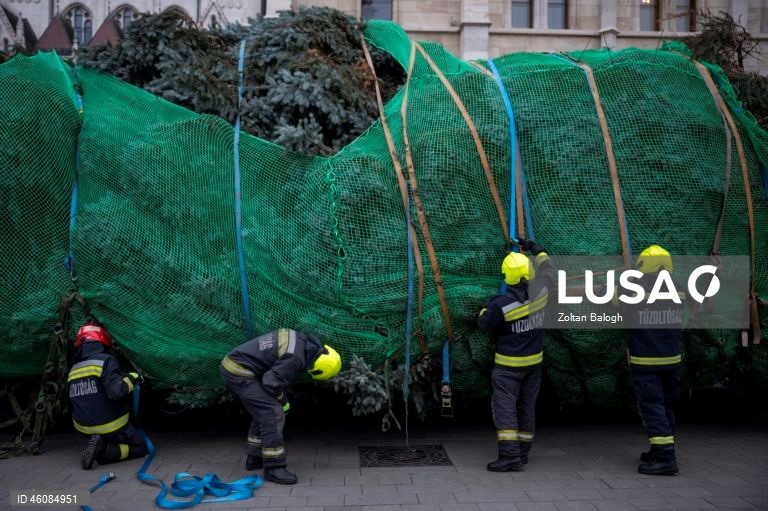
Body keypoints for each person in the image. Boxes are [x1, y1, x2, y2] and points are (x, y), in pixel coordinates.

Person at [220, 328, 341, 485]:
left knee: (263, 411)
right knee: (273, 413)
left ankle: (255, 458)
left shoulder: (303, 341)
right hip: (239, 371)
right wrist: (283, 401)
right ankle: (274, 468)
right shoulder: (295, 358)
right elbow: (271, 384)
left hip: (238, 364)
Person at [478, 238, 556, 472]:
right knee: (526, 407)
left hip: (507, 369)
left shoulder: (501, 306)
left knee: (505, 409)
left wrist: (485, 308)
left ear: (507, 278)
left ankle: (510, 456)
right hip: (534, 365)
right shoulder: (542, 291)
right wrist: (535, 248)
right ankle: (523, 452)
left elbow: (484, 324)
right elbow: (549, 270)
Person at [615, 244, 685, 476]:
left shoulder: (633, 288)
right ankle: (662, 450)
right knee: (666, 406)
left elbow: (607, 298)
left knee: (653, 407)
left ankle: (665, 458)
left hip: (646, 362)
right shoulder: (679, 288)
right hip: (671, 360)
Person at [68, 322, 148, 470]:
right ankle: (104, 450)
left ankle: (99, 442)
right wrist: (133, 377)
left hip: (83, 428)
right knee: (141, 447)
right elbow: (117, 392)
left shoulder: (74, 369)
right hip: (111, 425)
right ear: (102, 339)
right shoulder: (106, 360)